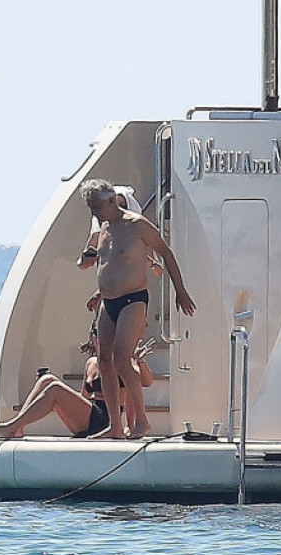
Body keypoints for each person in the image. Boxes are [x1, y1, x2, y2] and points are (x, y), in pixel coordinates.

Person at [79, 178, 195, 438]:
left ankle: (142, 421)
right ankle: (115, 426)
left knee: (122, 358)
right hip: (108, 302)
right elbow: (109, 264)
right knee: (105, 360)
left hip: (133, 299)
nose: (94, 213)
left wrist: (180, 291)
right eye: (91, 208)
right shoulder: (104, 228)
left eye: (96, 206)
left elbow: (165, 253)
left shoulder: (137, 224)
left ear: (111, 201)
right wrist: (99, 292)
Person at [0, 325, 154, 438]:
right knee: (47, 379)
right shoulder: (91, 363)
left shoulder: (122, 362)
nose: (101, 339)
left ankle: (12, 427)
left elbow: (146, 381)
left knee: (55, 388)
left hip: (106, 418)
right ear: (93, 338)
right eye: (97, 335)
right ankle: (18, 426)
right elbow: (84, 396)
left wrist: (139, 362)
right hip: (89, 413)